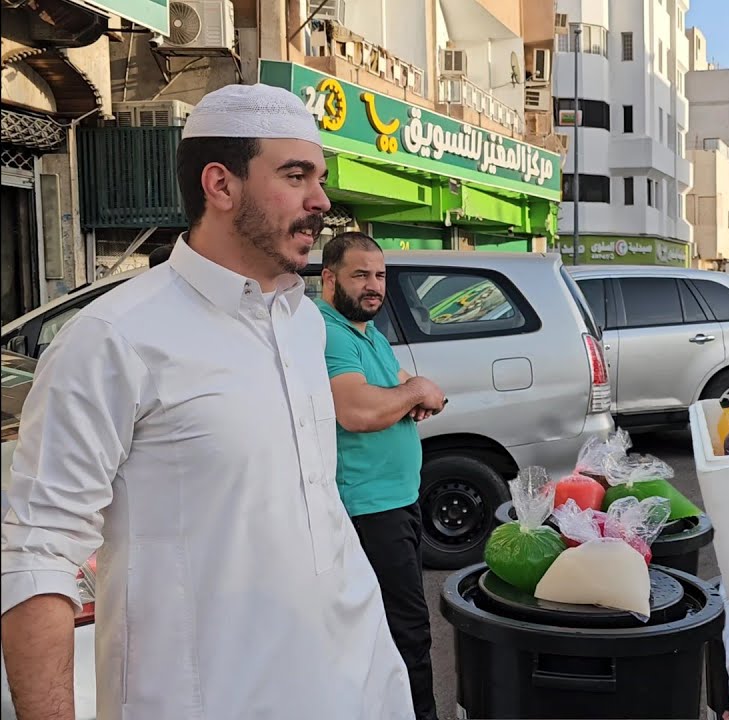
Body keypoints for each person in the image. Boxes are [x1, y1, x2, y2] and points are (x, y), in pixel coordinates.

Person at [0, 84, 414, 719]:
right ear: (220, 186)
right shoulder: (116, 338)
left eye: (320, 178)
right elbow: (36, 553)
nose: (321, 202)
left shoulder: (303, 323)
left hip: (350, 686)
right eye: (296, 175)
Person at [318, 231, 446, 720]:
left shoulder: (364, 331)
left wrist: (410, 395)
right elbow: (356, 411)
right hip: (369, 510)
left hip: (396, 502)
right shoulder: (327, 330)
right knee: (406, 631)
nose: (374, 286)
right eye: (360, 275)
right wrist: (414, 391)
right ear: (329, 278)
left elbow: (393, 391)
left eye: (380, 275)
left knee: (393, 632)